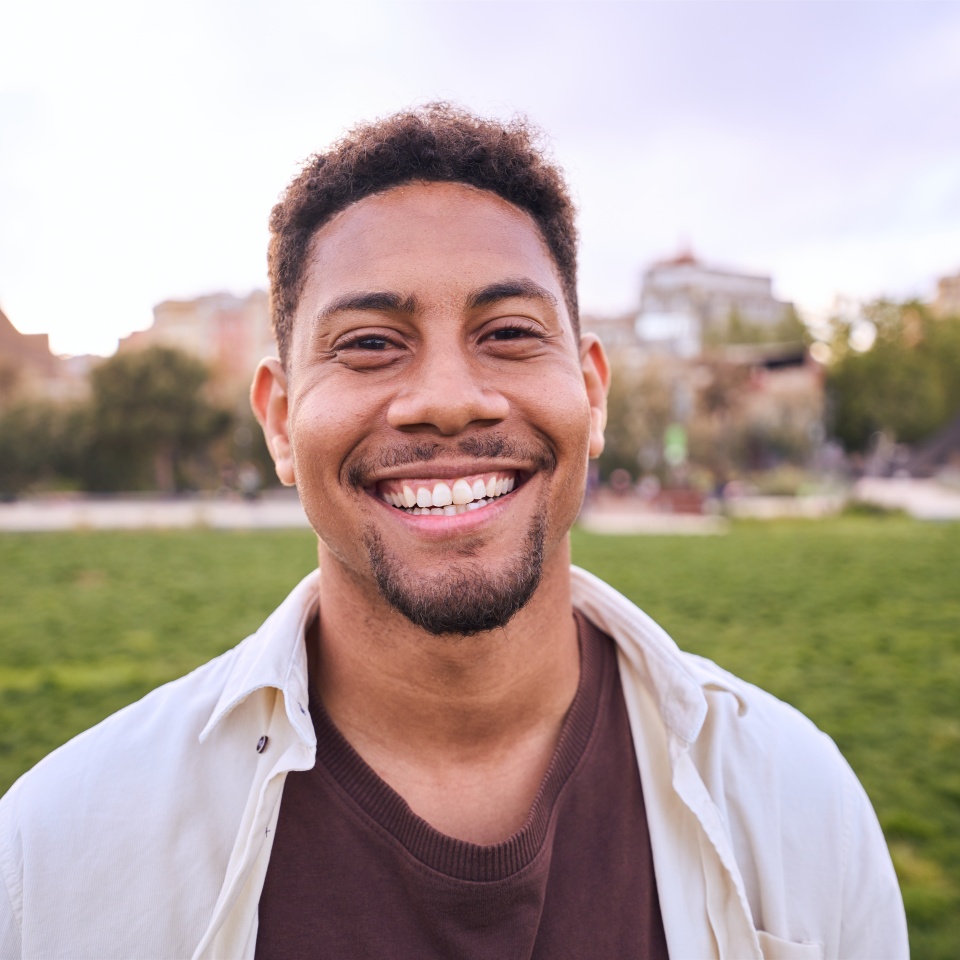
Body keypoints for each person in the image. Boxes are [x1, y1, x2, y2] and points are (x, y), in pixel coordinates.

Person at [0, 105, 907, 959]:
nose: (445, 398)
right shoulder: (59, 852)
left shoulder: (798, 802)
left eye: (509, 332)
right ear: (280, 421)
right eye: (368, 343)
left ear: (591, 394)